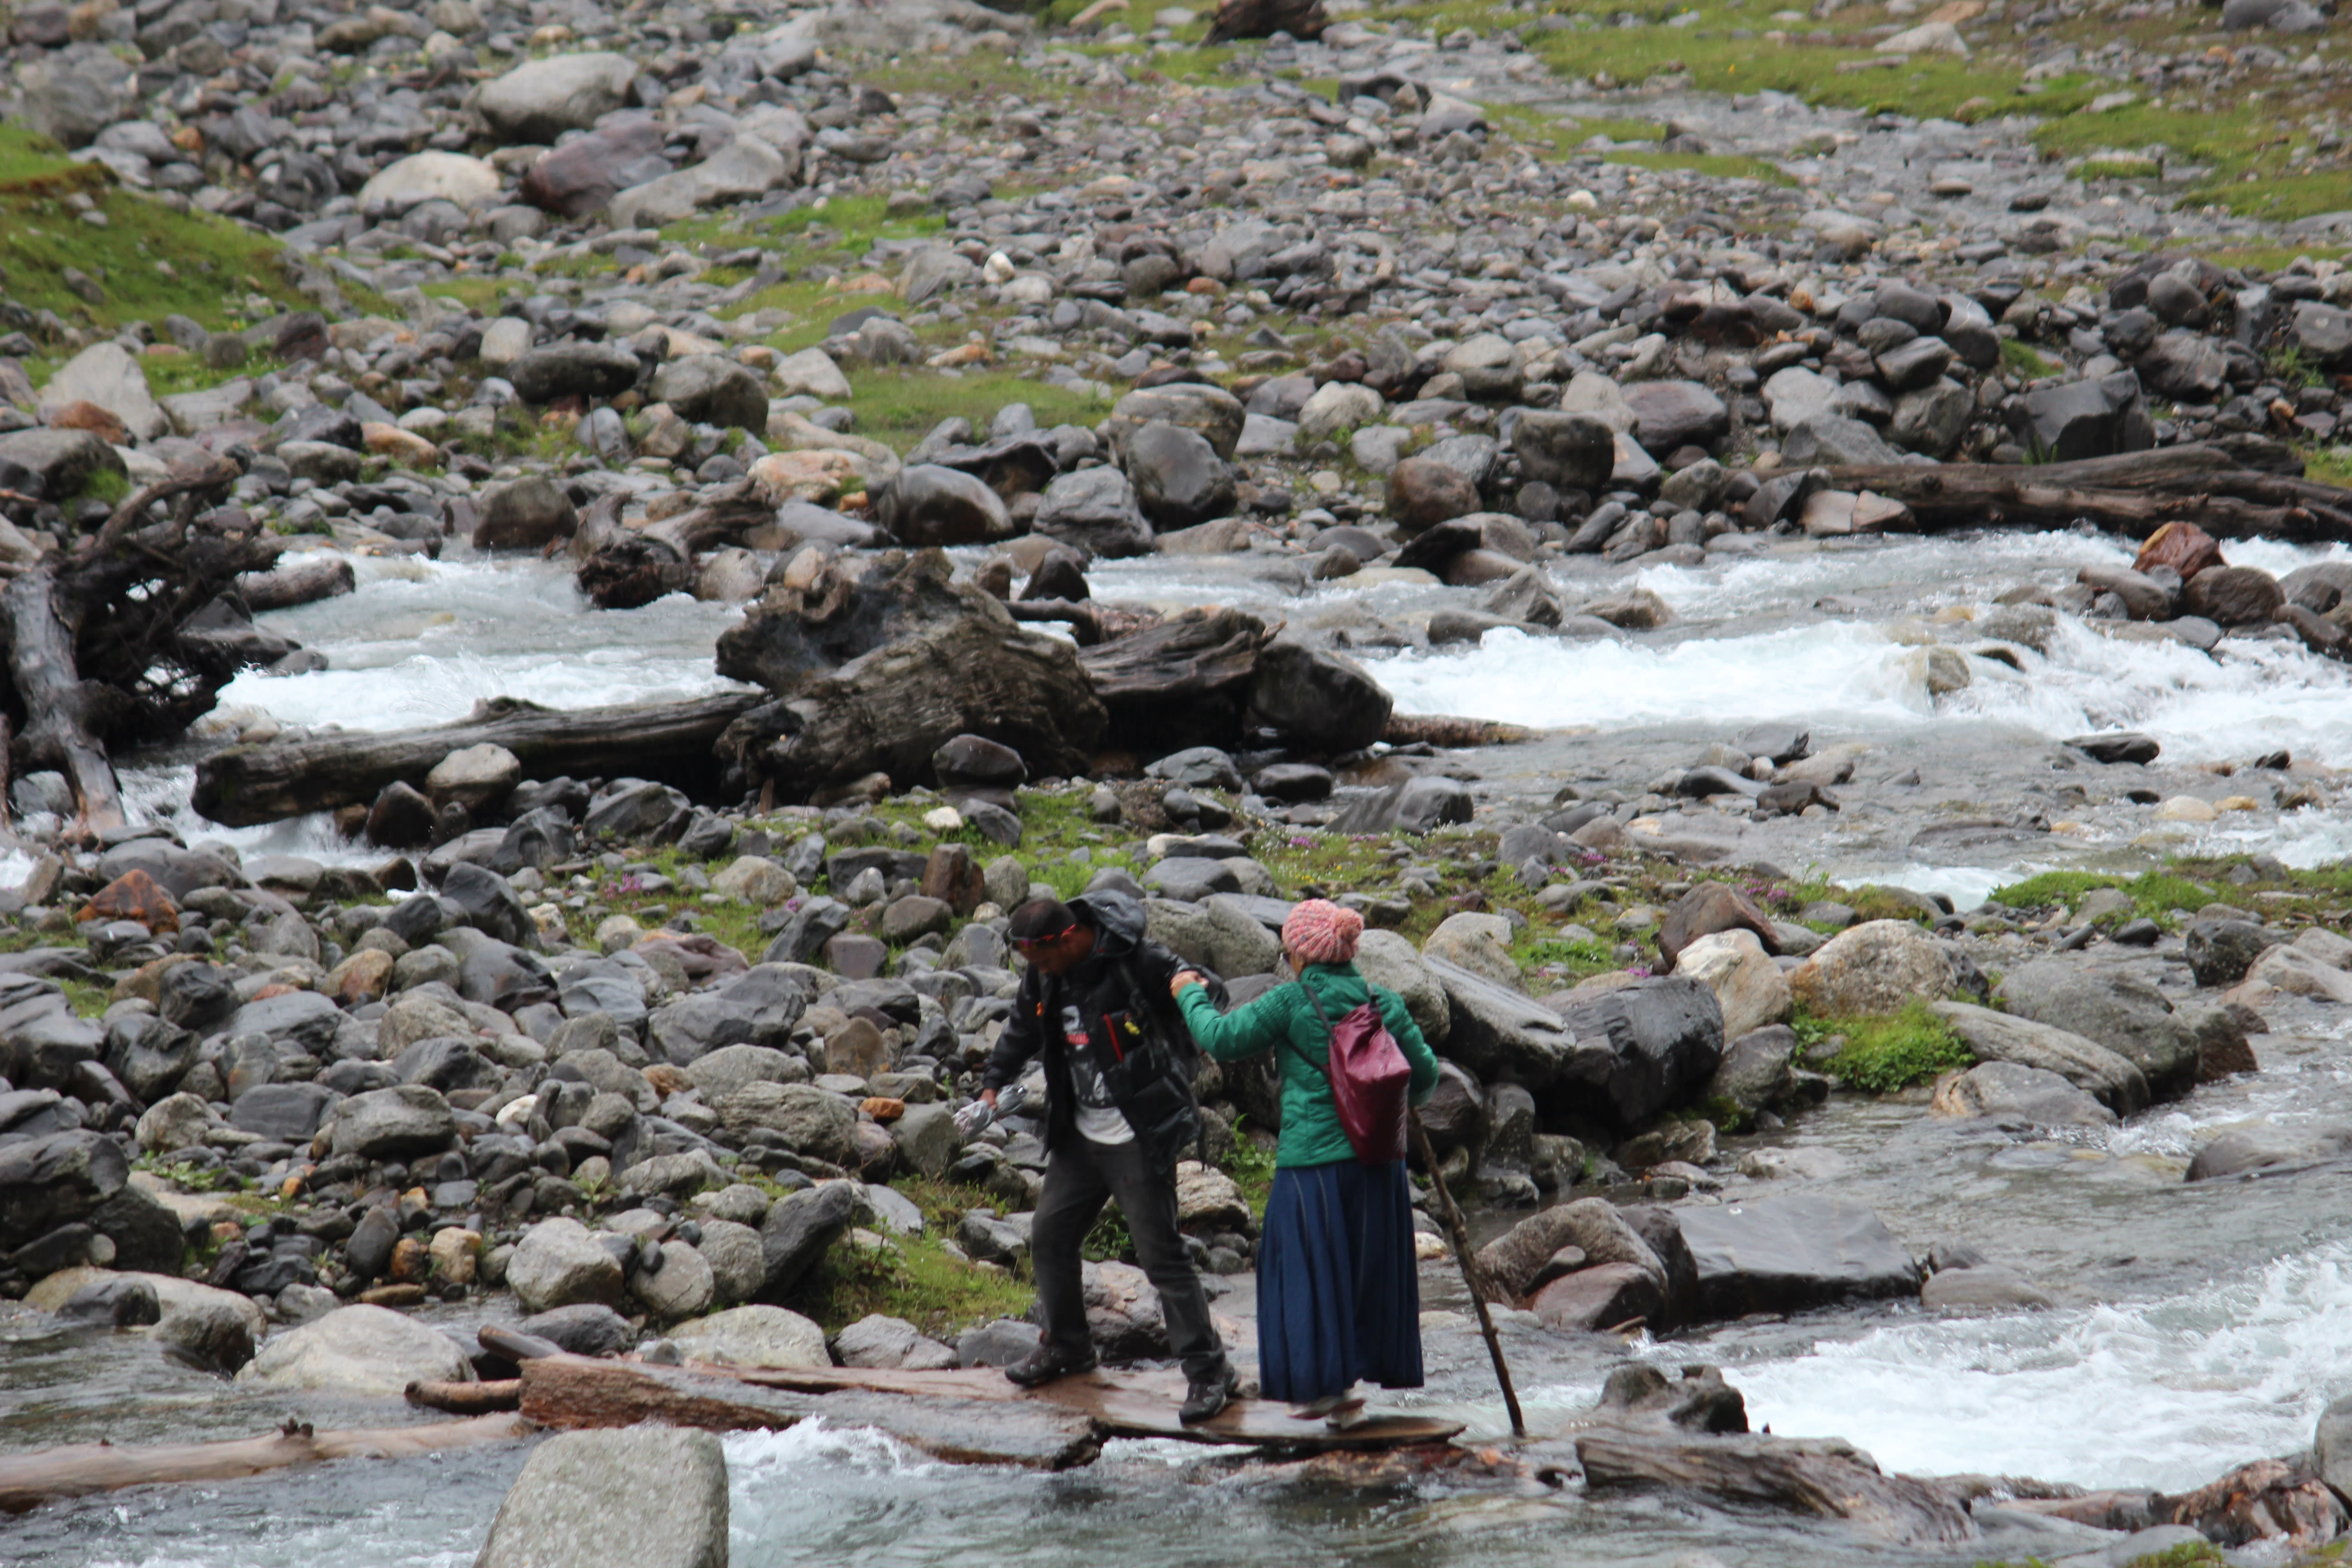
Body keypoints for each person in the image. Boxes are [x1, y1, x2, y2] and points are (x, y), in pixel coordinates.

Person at [1170, 899, 1439, 1415]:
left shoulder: (1291, 1002)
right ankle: (1357, 1384)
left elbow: (1220, 1039)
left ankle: (1324, 1391)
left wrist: (1189, 996)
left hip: (1312, 1167)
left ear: (1298, 954)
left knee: (1306, 1271)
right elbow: (1424, 1081)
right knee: (1364, 1271)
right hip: (1379, 1167)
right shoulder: (1384, 1002)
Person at [980, 890, 1239, 1423]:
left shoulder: (1136, 960)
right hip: (1078, 1135)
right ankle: (1068, 1346)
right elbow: (1024, 1027)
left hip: (1137, 1134)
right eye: (1032, 962)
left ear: (1070, 936)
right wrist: (992, 1083)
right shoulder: (1043, 974)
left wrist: (1196, 986)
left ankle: (1210, 1372)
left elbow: (1207, 989)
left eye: (1045, 958)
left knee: (1160, 1256)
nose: (1041, 970)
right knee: (1050, 1237)